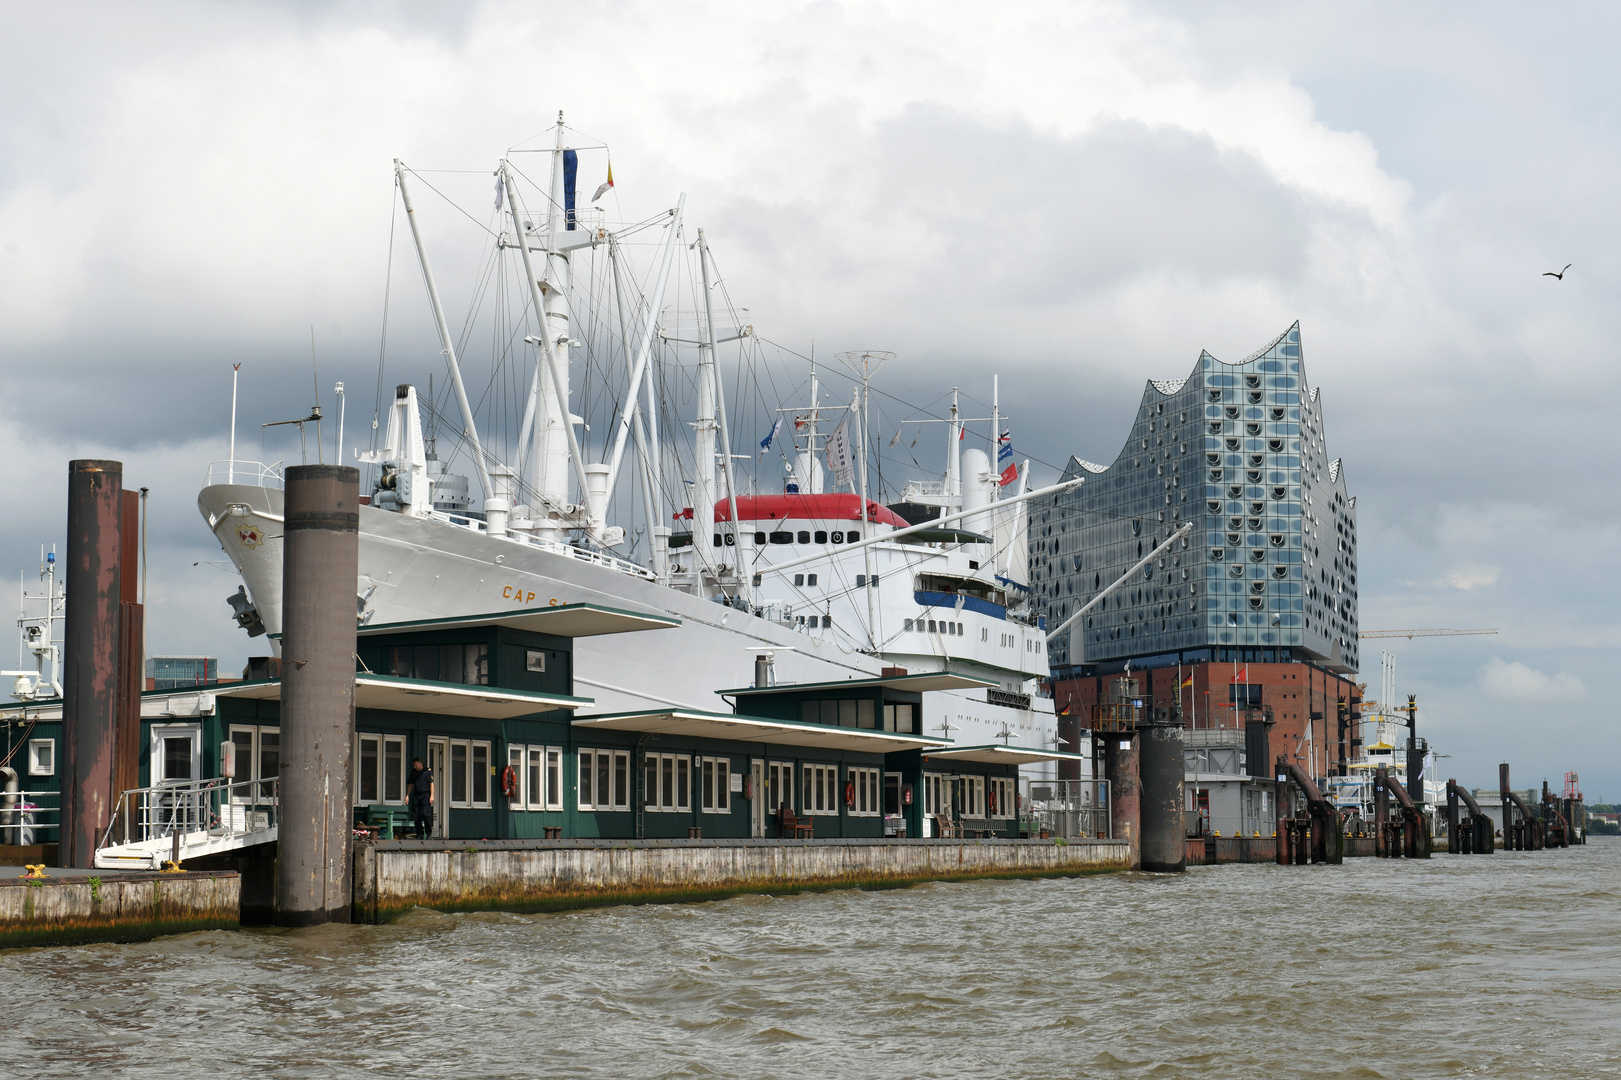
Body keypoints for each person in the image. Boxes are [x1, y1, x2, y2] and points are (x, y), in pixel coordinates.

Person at [407, 755, 435, 840]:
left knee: (426, 815)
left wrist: (432, 796)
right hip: (417, 795)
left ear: (420, 763)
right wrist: (407, 795)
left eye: (416, 765)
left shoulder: (427, 771)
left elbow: (431, 784)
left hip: (425, 795)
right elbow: (411, 785)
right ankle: (420, 834)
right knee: (416, 816)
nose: (415, 767)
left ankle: (428, 834)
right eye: (414, 766)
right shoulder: (413, 772)